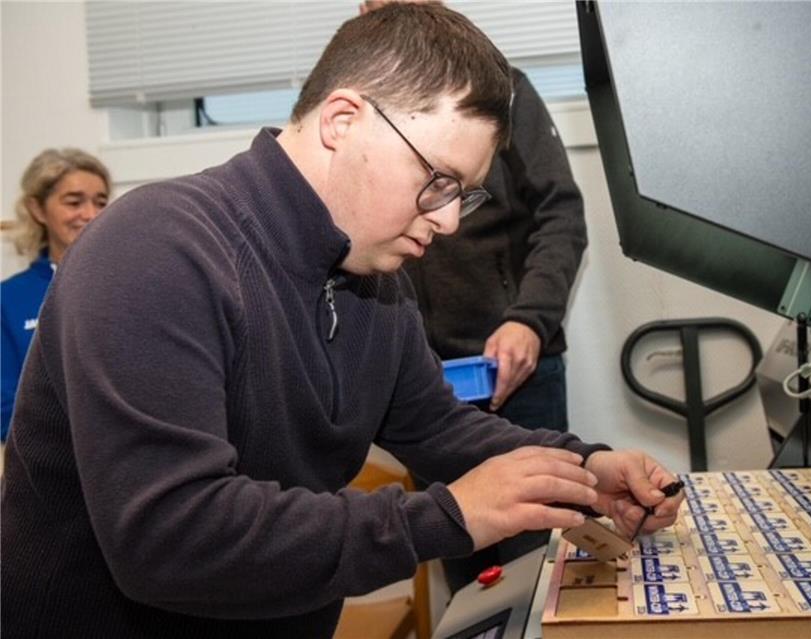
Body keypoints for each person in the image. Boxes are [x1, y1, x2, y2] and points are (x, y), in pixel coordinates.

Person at [0, 5, 683, 639]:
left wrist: (584, 468)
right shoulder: (155, 249)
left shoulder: (377, 285)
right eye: (438, 180)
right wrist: (450, 515)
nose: (446, 221)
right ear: (343, 121)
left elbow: (440, 427)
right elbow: (172, 538)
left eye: (463, 197)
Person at [364, 0, 589, 592]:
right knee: (468, 573)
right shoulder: (367, 103)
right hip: (428, 379)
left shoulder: (505, 90)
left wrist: (530, 320)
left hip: (518, 366)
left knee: (540, 564)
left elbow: (562, 216)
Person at [0, 148, 111, 442]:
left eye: (101, 202)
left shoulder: (131, 285)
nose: (90, 214)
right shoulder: (8, 299)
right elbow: (4, 406)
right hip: (48, 463)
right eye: (74, 202)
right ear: (37, 210)